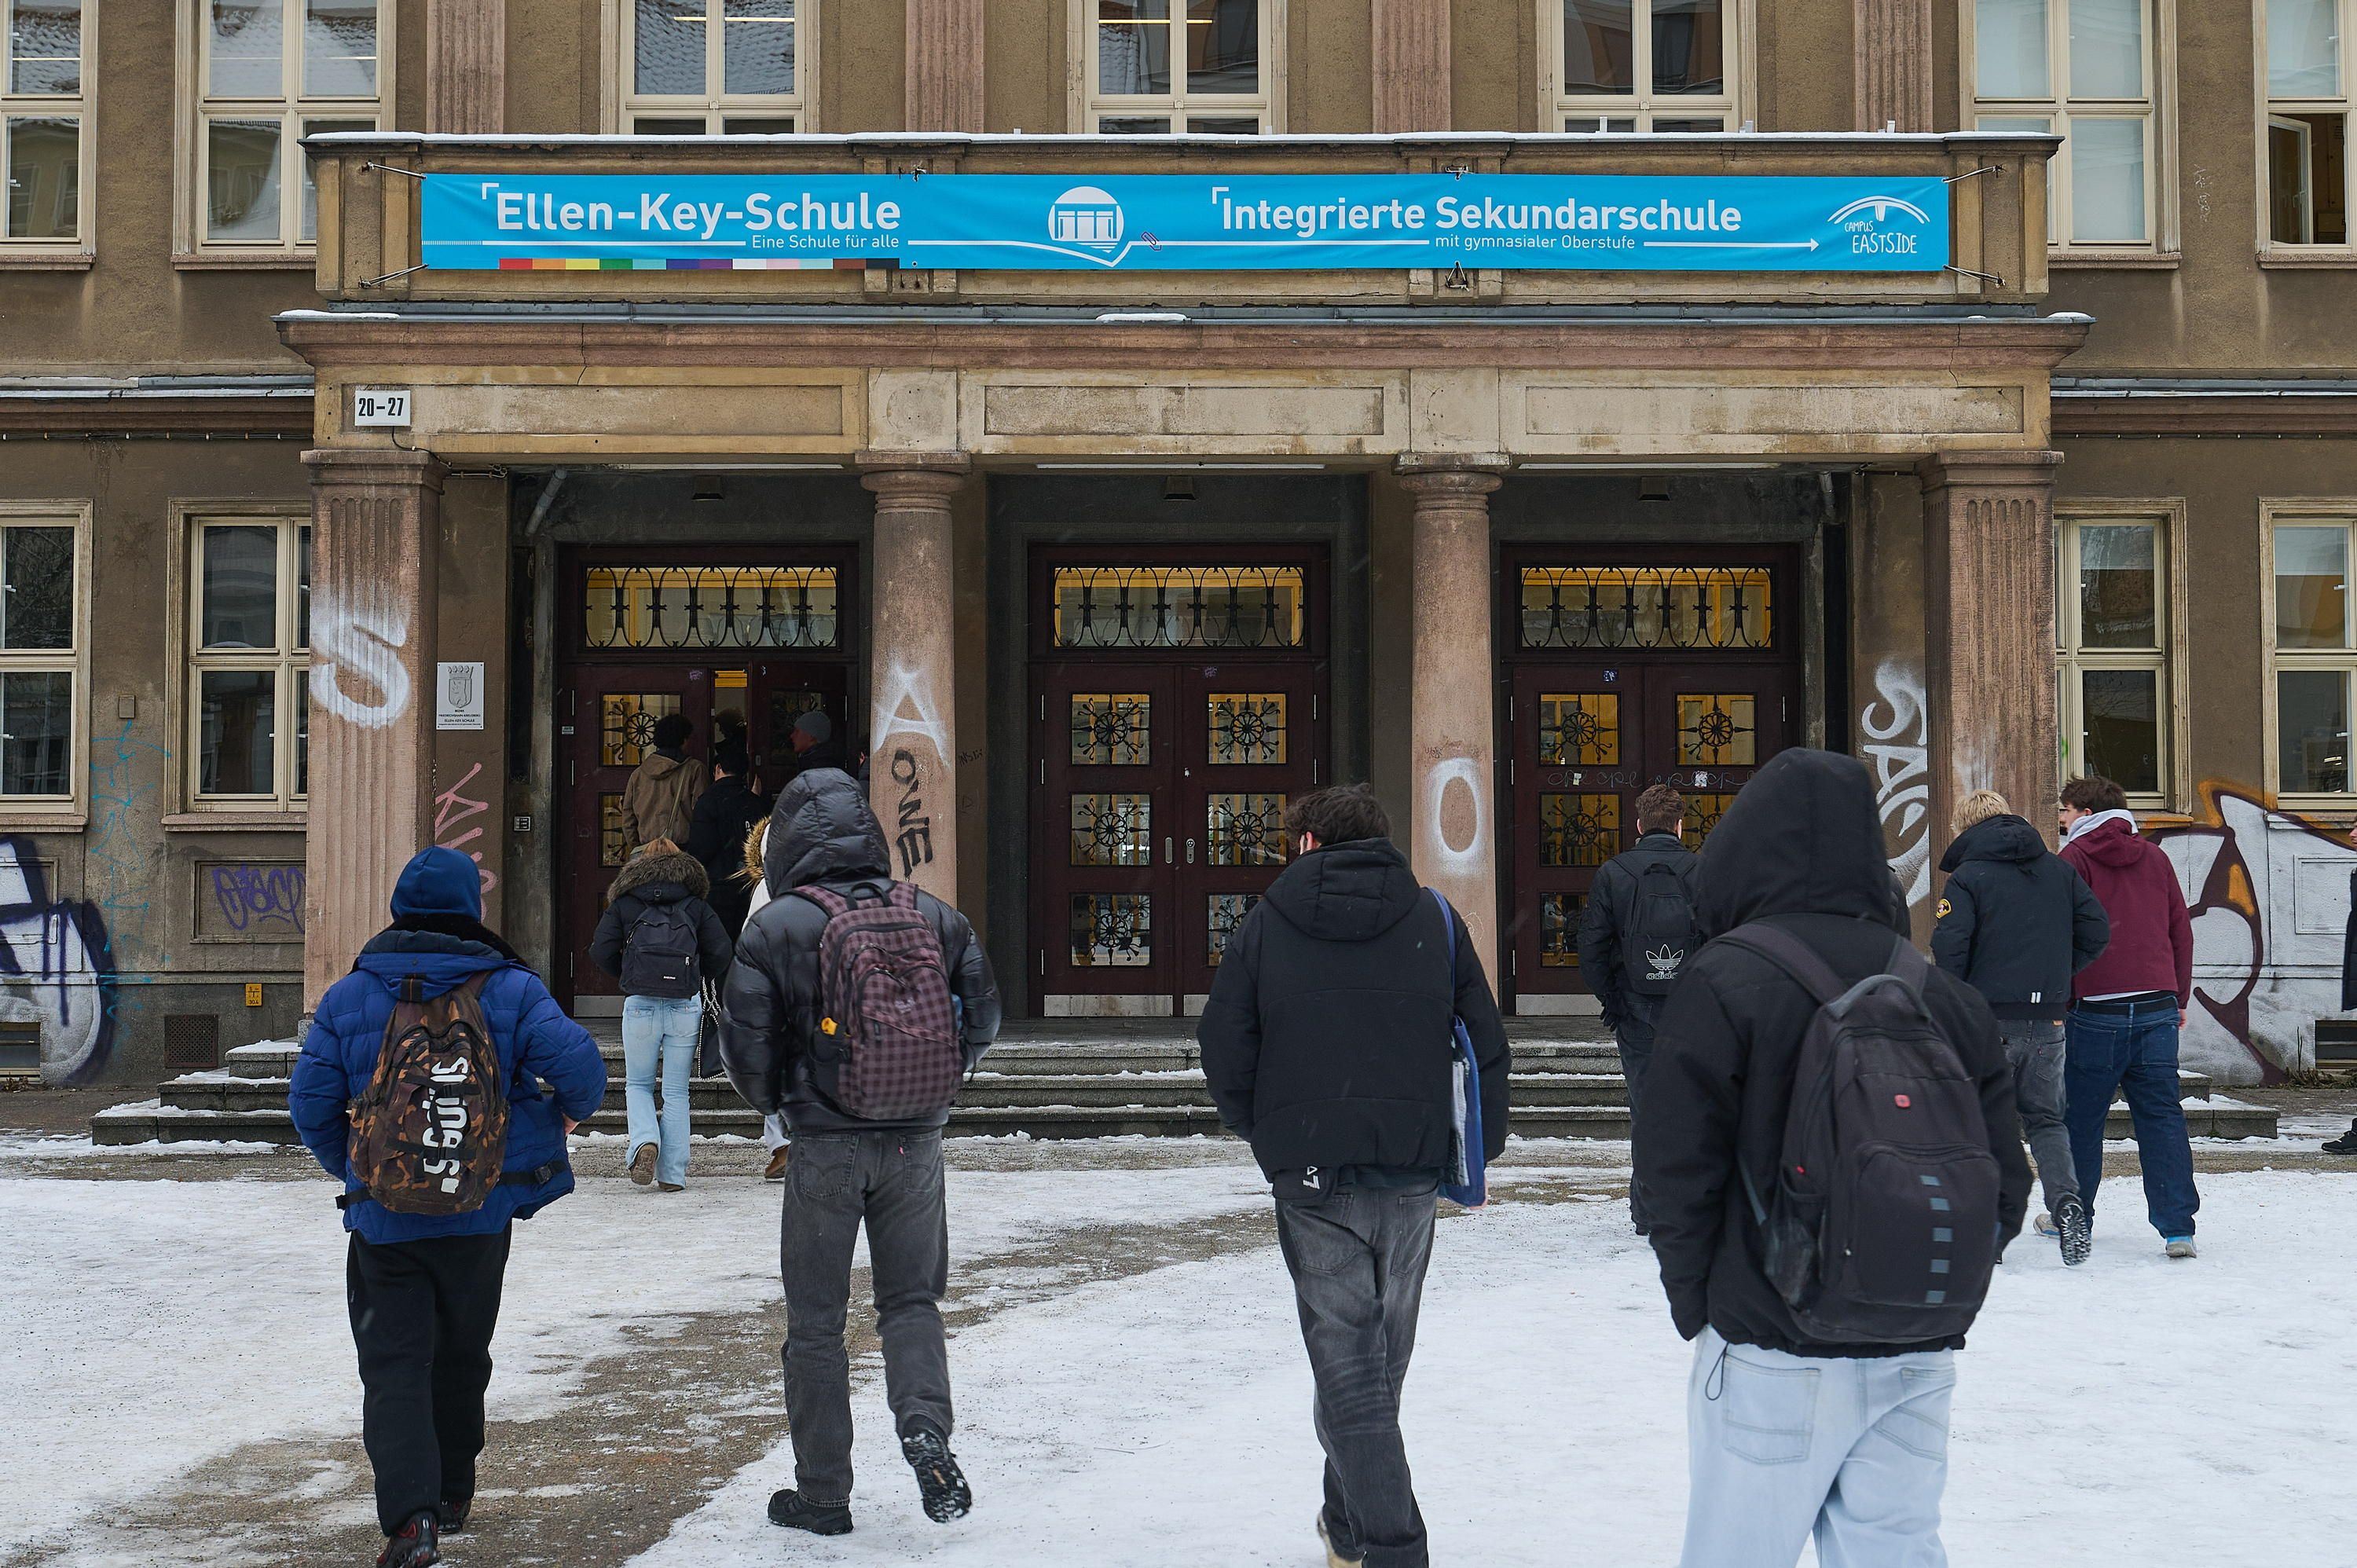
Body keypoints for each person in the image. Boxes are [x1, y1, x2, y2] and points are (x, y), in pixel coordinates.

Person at [1638, 749, 2029, 1568]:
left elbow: (1676, 1171)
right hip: (1919, 1346)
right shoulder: (1940, 993)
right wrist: (1922, 1274)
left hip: (1771, 1339)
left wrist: (1703, 1305)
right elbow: (2005, 1175)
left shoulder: (1724, 979)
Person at [1199, 782, 1509, 1568]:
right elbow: (1485, 1036)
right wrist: (1483, 1142)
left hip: (1310, 1172)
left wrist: (1262, 1130)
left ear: (1308, 844)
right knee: (1376, 1366)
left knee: (1354, 1367)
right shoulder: (1433, 918)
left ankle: (1370, 1537)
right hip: (1409, 1166)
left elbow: (1224, 1041)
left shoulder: (1267, 923)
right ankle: (1368, 1536)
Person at [288, 848, 607, 1568]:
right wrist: (557, 1122)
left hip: (384, 1221)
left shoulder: (350, 995)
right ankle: (456, 1490)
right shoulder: (513, 990)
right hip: (481, 1212)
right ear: (473, 910)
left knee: (395, 1364)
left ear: (399, 908)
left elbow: (308, 1106)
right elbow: (583, 1072)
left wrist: (361, 1164)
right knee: (463, 1351)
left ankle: (411, 1519)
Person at [720, 767, 1001, 1537]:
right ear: (871, 836)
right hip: (917, 1141)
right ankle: (925, 1431)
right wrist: (939, 1077)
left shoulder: (775, 926)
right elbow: (984, 1016)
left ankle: (822, 1494)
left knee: (815, 1322)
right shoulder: (934, 915)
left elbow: (745, 1049)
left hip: (825, 1146)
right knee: (910, 1303)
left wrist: (781, 1102)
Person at [1932, 787, 2111, 1265]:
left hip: (1986, 1018)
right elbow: (2097, 931)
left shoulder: (1968, 878)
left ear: (1967, 829)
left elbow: (1950, 949)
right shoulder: (2059, 870)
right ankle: (2068, 1203)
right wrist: (2054, 975)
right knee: (2047, 1120)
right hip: (2048, 1016)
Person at [2058, 775, 2201, 1258]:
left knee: (2082, 1119)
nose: (2060, 819)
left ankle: (2075, 1216)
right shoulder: (2156, 857)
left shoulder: (2073, 860)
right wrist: (2178, 996)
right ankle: (2178, 1227)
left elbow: (2062, 936)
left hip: (2096, 1007)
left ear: (2084, 812)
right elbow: (2180, 929)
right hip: (2158, 1006)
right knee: (2162, 1117)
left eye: (2065, 810)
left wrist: (2062, 999)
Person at [1574, 782, 1700, 1236]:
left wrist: (1614, 999)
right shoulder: (1702, 871)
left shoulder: (1615, 872)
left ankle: (1649, 1210)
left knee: (1647, 1110)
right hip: (1695, 1014)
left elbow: (1590, 947)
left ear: (1639, 824)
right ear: (1680, 825)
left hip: (1637, 1012)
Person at [589, 839, 735, 1192]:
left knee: (637, 1084)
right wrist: (696, 977)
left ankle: (644, 1142)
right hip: (685, 1004)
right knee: (675, 1090)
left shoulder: (625, 903)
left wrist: (630, 974)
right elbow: (722, 951)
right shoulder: (696, 905)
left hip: (639, 1003)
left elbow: (600, 950)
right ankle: (672, 1174)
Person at [685, 738, 770, 937]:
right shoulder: (756, 803)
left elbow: (701, 849)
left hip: (717, 885)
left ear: (718, 769)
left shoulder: (707, 803)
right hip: (750, 884)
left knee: (718, 941)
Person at [620, 713, 707, 854]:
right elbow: (702, 814)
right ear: (683, 740)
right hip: (682, 850)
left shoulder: (639, 774)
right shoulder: (695, 770)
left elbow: (628, 818)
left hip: (647, 850)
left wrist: (636, 846)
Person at [784, 709, 847, 779]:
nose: (792, 736)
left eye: (797, 731)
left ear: (811, 735)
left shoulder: (819, 771)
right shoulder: (813, 762)